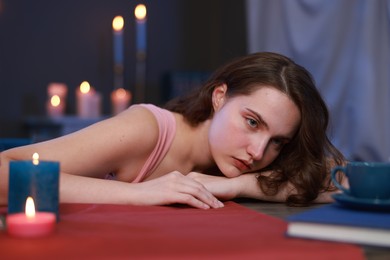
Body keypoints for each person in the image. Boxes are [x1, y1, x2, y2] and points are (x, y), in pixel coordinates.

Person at [0, 52, 345, 209]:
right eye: (252, 122)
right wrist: (142, 193)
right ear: (220, 97)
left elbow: (342, 182)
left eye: (277, 142)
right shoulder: (147, 131)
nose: (258, 152)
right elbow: (5, 173)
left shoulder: (244, 163)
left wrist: (236, 185)